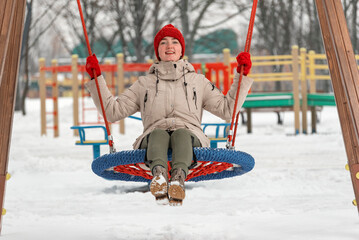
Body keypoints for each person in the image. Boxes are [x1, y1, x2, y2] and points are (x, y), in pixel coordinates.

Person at [85, 24, 253, 206]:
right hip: (153, 139)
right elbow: (112, 112)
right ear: (157, 50)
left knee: (181, 133)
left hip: (190, 137)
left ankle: (178, 179)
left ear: (182, 49)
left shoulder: (198, 82)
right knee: (158, 133)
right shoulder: (144, 84)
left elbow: (227, 109)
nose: (169, 46)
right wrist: (97, 78)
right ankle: (159, 176)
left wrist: (241, 76)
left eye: (174, 42)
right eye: (163, 43)